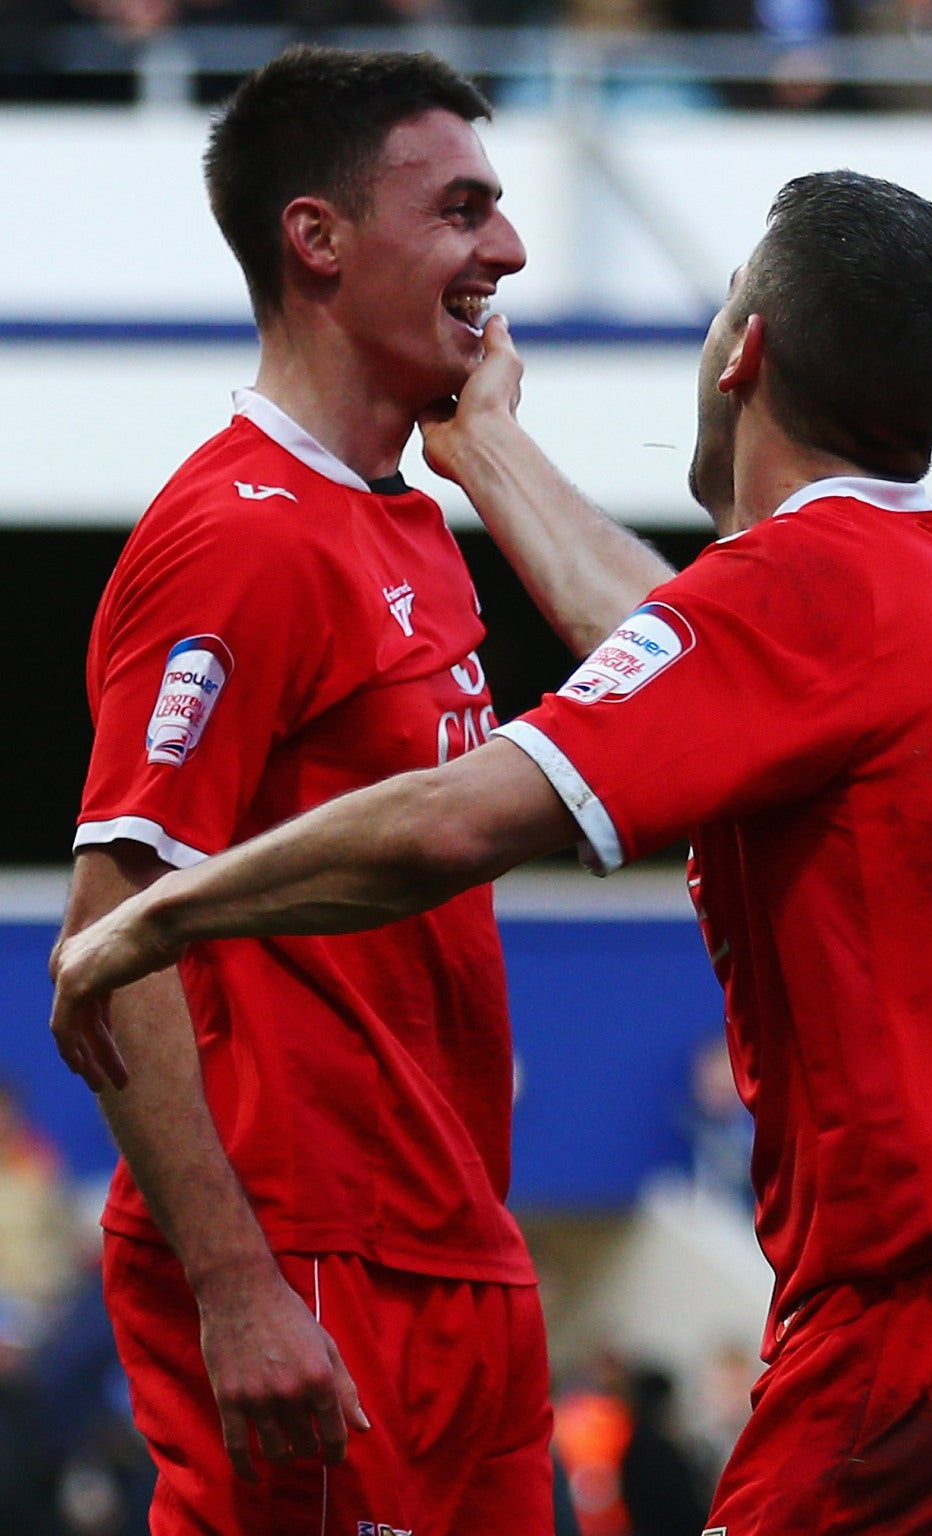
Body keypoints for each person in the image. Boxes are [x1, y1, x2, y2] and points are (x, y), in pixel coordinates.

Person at [53, 169, 932, 1536]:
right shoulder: (925, 588)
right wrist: (489, 456)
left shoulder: (800, 590)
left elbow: (464, 815)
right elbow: (671, 645)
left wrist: (160, 916)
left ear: (744, 350)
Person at [55, 46, 556, 1534]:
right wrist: (237, 1286)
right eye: (463, 210)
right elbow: (108, 927)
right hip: (317, 1252)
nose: (508, 251)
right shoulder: (240, 537)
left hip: (455, 1243)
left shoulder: (412, 518)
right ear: (316, 237)